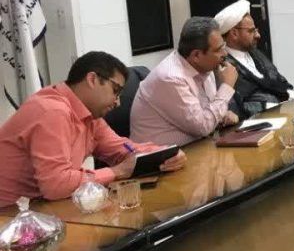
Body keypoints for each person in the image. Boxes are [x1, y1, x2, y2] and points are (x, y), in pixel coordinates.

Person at [0, 52, 187, 207]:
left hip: (42, 207)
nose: (118, 102)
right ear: (92, 79)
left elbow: (123, 149)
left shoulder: (90, 117)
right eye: (116, 91)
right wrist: (117, 171)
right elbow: (56, 184)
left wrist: (165, 153)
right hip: (10, 216)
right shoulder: (53, 111)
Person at [130, 17, 240, 146]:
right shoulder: (171, 78)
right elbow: (203, 127)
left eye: (223, 46)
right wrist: (226, 87)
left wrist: (221, 117)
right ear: (196, 55)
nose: (225, 53)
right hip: (162, 156)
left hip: (196, 147)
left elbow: (204, 115)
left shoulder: (206, 67)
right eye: (218, 49)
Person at [214, 0, 294, 120]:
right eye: (251, 31)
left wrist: (292, 94)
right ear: (234, 33)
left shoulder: (254, 52)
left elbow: (278, 79)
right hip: (257, 123)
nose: (258, 35)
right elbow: (236, 109)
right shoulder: (224, 66)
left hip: (282, 113)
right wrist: (270, 106)